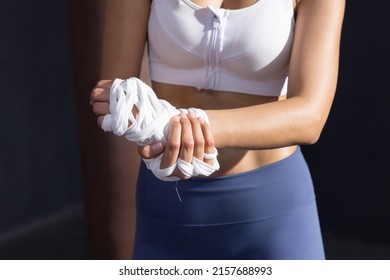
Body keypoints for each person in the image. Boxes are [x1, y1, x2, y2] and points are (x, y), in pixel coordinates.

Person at [89, 0, 345, 259]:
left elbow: (310, 117)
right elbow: (116, 95)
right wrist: (155, 121)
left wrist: (181, 125)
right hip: (168, 208)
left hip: (273, 210)